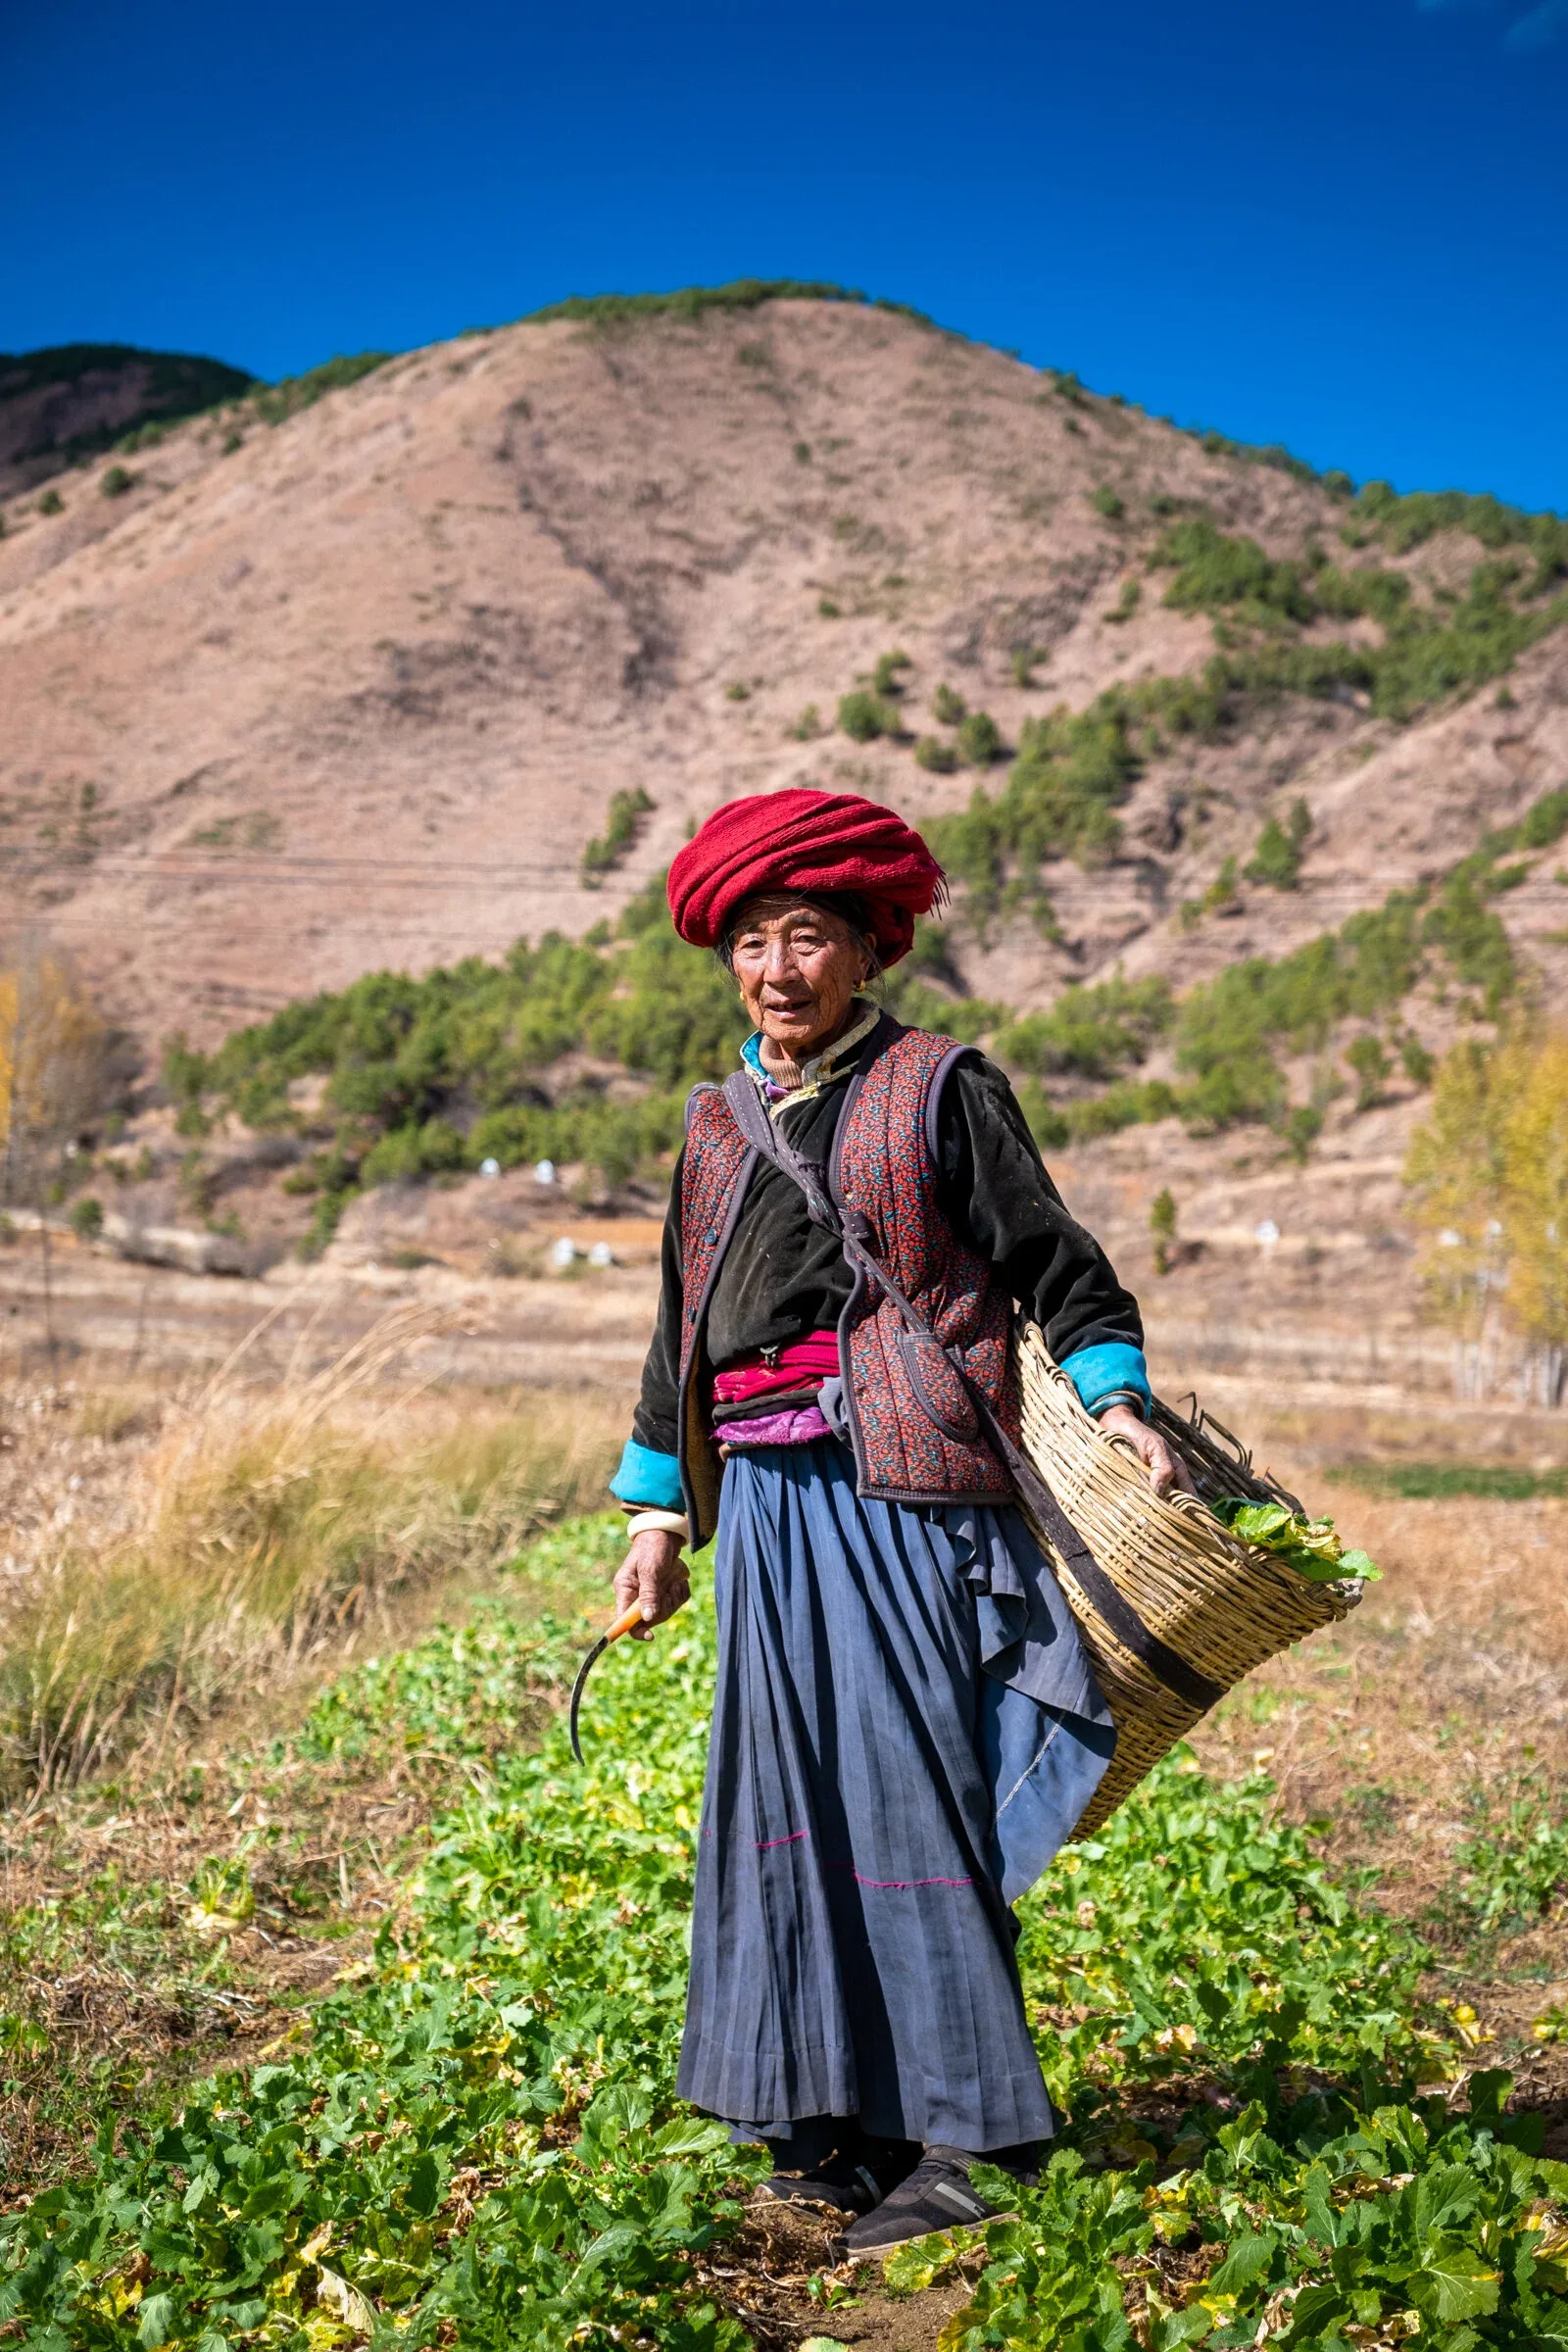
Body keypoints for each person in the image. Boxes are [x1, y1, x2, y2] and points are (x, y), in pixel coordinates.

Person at [606, 786, 1190, 2254]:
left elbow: (1057, 1261)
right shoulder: (716, 1122)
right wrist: (660, 1518)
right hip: (772, 1508)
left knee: (910, 1801)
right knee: (782, 1807)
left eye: (807, 936)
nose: (776, 969)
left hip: (904, 1493)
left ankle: (969, 2136)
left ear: (869, 949)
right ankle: (829, 2126)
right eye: (751, 940)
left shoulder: (940, 1087)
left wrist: (1122, 1403)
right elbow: (681, 1326)